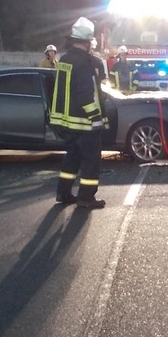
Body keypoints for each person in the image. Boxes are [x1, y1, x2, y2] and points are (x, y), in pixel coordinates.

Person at [49, 17, 107, 209]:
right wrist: (96, 117)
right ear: (88, 41)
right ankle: (86, 198)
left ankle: (63, 193)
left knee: (72, 156)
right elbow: (85, 95)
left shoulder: (65, 60)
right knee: (91, 159)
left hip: (67, 122)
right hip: (84, 122)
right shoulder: (84, 63)